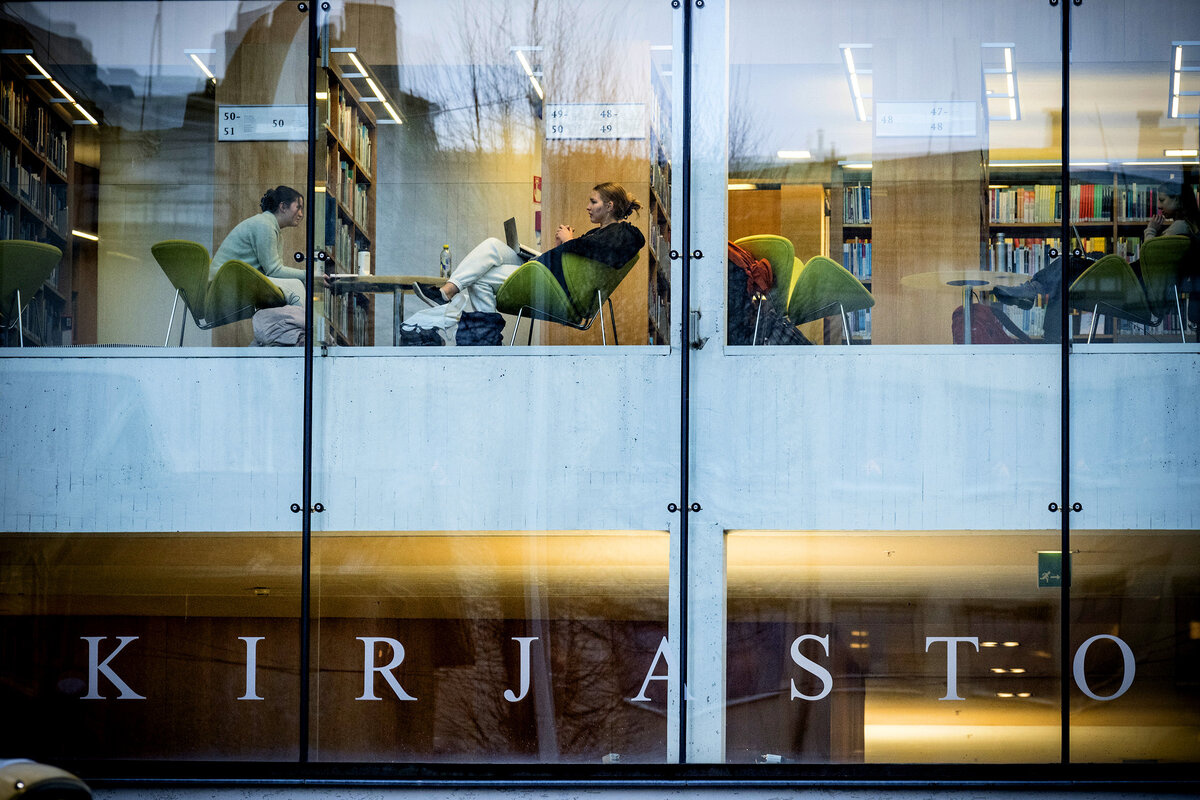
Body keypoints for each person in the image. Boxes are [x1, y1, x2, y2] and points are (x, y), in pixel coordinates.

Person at [405, 182, 646, 343]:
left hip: (556, 287)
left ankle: (472, 323)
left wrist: (569, 242)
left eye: (593, 202)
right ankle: (451, 296)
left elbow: (610, 251)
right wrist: (561, 247)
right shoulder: (599, 233)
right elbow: (584, 255)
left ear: (609, 206)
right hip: (546, 274)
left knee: (480, 277)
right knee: (492, 245)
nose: (588, 206)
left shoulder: (624, 233)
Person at [991, 180, 1200, 342]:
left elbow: (1151, 256)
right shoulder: (1185, 228)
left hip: (1132, 287)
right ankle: (1038, 305)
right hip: (1132, 282)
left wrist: (1151, 230)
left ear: (1178, 200)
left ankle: (1032, 292)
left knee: (1068, 263)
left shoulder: (1179, 227)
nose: (1159, 206)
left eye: (1162, 200)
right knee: (1067, 276)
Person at [211, 186, 308, 307]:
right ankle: (304, 319)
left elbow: (274, 272)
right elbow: (274, 271)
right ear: (283, 206)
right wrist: (309, 275)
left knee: (293, 285)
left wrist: (311, 277)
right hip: (222, 286)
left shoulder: (269, 226)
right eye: (298, 207)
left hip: (230, 282)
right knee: (295, 285)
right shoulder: (265, 225)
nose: (301, 214)